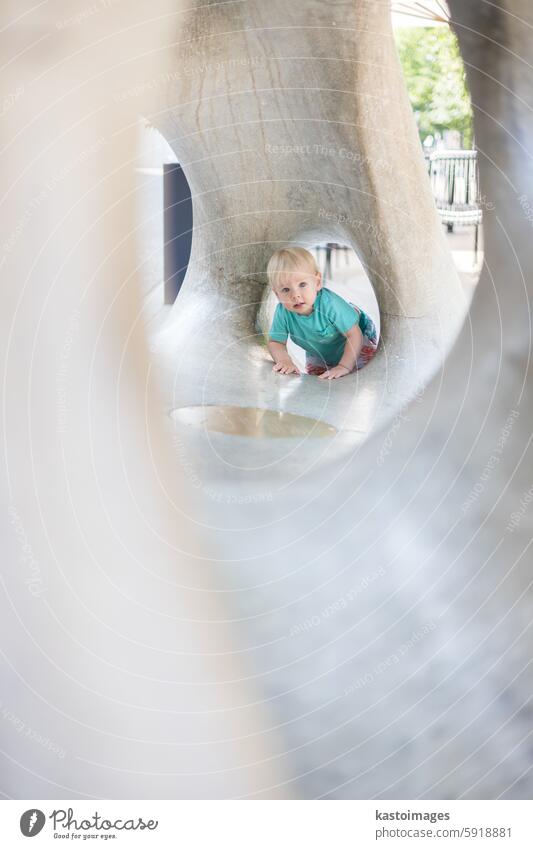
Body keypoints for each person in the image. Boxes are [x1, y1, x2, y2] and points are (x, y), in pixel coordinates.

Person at [266, 247, 378, 379]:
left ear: (317, 282)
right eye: (285, 289)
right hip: (319, 352)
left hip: (357, 339)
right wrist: (284, 360)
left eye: (302, 285)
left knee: (363, 371)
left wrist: (344, 366)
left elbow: (354, 334)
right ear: (277, 294)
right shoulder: (283, 313)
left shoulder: (330, 304)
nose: (295, 295)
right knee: (320, 379)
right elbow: (276, 342)